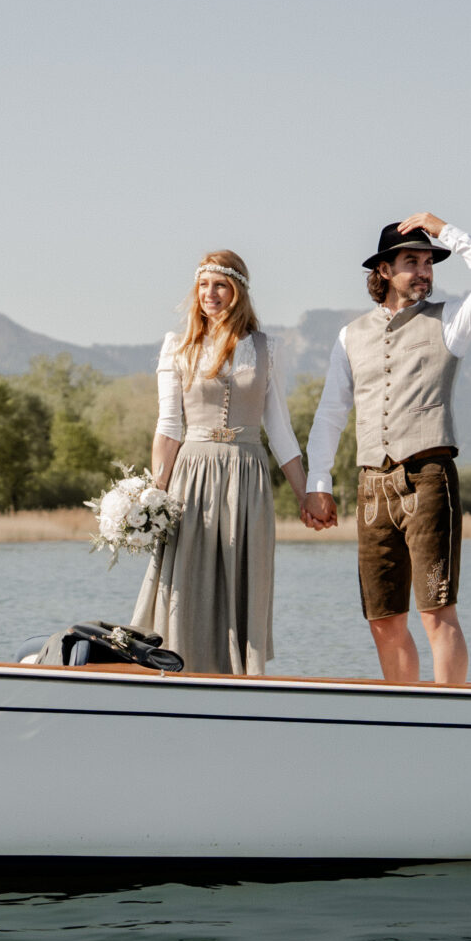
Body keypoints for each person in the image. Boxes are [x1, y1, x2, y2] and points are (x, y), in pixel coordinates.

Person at [298, 213, 471, 685]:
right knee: (383, 619)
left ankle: (449, 716)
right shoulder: (350, 335)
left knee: (437, 610)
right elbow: (331, 413)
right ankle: (405, 713)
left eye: (428, 262)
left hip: (428, 480)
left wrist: (446, 231)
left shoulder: (451, 320)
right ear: (383, 270)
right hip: (372, 488)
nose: (423, 271)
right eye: (411, 262)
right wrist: (319, 483)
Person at [134, 250, 308, 675]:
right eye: (203, 285)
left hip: (248, 476)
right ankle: (179, 667)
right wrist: (156, 494)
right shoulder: (178, 347)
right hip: (191, 476)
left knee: (245, 576)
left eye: (220, 285)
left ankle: (239, 678)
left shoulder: (266, 349)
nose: (210, 294)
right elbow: (169, 427)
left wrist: (307, 496)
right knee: (187, 578)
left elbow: (280, 430)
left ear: (238, 292)